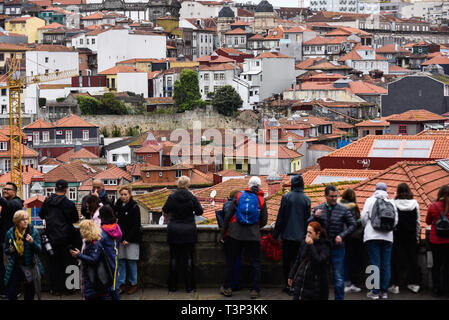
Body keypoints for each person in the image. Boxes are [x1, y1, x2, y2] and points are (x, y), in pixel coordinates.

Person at [219, 176, 268, 299]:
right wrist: (255, 226)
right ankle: (255, 290)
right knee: (255, 263)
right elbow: (264, 221)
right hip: (253, 235)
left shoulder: (239, 195)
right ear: (259, 186)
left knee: (232, 261)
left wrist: (222, 234)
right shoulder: (261, 199)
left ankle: (227, 287)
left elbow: (228, 216)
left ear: (248, 185)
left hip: (236, 234)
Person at [308, 184, 356, 300]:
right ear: (325, 196)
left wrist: (342, 235)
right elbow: (309, 224)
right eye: (331, 196)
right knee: (321, 277)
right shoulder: (318, 209)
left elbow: (353, 224)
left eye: (336, 196)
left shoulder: (343, 210)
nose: (334, 199)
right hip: (322, 248)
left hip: (337, 247)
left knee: (338, 277)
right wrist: (315, 216)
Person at [162, 176, 203, 293]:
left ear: (178, 184)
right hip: (189, 230)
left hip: (174, 230)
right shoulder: (192, 197)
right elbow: (200, 211)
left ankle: (172, 286)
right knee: (188, 258)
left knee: (174, 258)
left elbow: (165, 209)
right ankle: (189, 286)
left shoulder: (171, 197)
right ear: (188, 185)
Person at [39, 179, 80, 296]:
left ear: (55, 189)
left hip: (51, 237)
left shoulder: (47, 202)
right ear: (66, 189)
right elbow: (74, 219)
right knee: (69, 262)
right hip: (67, 237)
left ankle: (55, 289)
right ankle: (70, 288)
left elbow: (41, 215)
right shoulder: (69, 204)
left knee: (53, 264)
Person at [273, 174, 311, 295]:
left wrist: (275, 235)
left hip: (287, 236)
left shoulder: (286, 197)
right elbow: (307, 220)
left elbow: (280, 217)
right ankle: (295, 285)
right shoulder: (307, 199)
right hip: (301, 237)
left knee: (287, 262)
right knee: (298, 261)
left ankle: (287, 285)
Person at [361, 182, 398, 300]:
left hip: (372, 236)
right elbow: (395, 220)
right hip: (388, 237)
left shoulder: (369, 200)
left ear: (375, 189)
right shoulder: (391, 202)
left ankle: (375, 292)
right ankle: (384, 291)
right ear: (386, 190)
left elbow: (363, 218)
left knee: (374, 263)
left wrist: (368, 226)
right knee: (386, 264)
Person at [4, 210, 44, 300]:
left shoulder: (33, 232)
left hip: (29, 266)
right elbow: (6, 251)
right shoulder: (10, 233)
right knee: (11, 293)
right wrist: (10, 250)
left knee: (29, 293)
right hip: (15, 266)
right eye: (23, 220)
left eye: (27, 219)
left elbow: (39, 250)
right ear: (17, 222)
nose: (26, 221)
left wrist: (32, 242)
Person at [389, 183, 421, 294]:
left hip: (397, 235)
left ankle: (395, 284)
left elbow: (392, 220)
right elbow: (418, 222)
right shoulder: (415, 203)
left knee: (396, 259)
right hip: (411, 235)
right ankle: (415, 284)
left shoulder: (394, 203)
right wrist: (417, 236)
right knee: (413, 259)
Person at [288, 221, 330, 300]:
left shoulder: (325, 246)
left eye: (310, 232)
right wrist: (291, 275)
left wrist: (311, 246)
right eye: (307, 232)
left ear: (317, 234)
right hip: (300, 284)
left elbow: (318, 261)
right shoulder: (304, 243)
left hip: (314, 286)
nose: (307, 234)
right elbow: (298, 260)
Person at [69, 219, 109, 300]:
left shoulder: (95, 244)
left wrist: (79, 255)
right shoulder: (91, 242)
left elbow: (94, 259)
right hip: (92, 281)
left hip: (94, 281)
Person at [114, 185, 142, 295]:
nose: (123, 196)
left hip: (132, 239)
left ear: (130, 195)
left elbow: (136, 225)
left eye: (125, 194)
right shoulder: (118, 206)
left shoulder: (134, 207)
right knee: (121, 262)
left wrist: (128, 239)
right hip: (120, 238)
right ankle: (122, 284)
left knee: (131, 262)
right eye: (121, 194)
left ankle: (133, 283)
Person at [338, 188, 364, 294]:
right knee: (351, 260)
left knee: (343, 260)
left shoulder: (338, 205)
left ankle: (344, 282)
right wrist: (361, 220)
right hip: (351, 237)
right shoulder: (353, 207)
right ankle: (348, 283)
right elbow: (355, 222)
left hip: (341, 235)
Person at [0, 182, 23, 297]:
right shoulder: (9, 203)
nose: (4, 191)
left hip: (12, 242)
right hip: (5, 239)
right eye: (3, 189)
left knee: (10, 266)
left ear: (14, 192)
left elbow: (8, 206)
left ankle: (14, 291)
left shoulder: (16, 202)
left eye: (7, 189)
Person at [426, 184, 449, 297]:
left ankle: (436, 289)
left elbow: (428, 222)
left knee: (437, 266)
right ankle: (446, 289)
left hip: (436, 241)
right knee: (447, 266)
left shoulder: (433, 206)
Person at [220, 189, 242, 292]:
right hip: (241, 235)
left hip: (230, 235)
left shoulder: (228, 205)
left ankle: (228, 285)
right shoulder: (242, 205)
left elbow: (225, 219)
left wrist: (222, 235)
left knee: (230, 262)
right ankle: (235, 283)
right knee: (237, 261)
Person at [99, 205, 122, 300]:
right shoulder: (117, 227)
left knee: (106, 286)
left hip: (104, 259)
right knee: (114, 285)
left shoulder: (102, 230)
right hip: (115, 256)